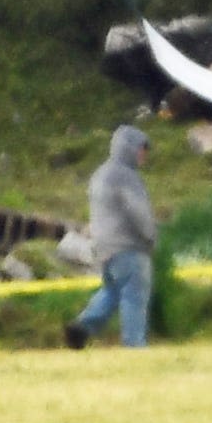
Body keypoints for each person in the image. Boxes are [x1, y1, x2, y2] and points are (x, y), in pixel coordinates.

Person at [65, 124, 157, 348]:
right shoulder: (126, 177)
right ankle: (134, 345)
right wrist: (151, 236)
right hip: (129, 246)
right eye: (141, 149)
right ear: (130, 148)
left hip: (104, 248)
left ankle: (81, 327)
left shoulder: (100, 174)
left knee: (112, 291)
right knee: (135, 294)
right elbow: (138, 213)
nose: (144, 154)